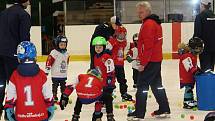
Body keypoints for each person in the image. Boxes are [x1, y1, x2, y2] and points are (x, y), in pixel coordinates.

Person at [127, 2, 170, 120]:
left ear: (147, 11)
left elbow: (148, 46)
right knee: (157, 85)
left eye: (141, 12)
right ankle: (164, 108)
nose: (139, 14)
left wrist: (143, 63)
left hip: (150, 61)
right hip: (155, 59)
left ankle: (139, 113)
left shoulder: (149, 24)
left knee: (141, 86)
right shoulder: (153, 22)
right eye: (138, 12)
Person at [4, 41, 54, 121]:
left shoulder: (15, 75)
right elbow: (48, 94)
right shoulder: (41, 74)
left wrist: (9, 109)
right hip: (40, 116)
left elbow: (10, 96)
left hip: (21, 116)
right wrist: (51, 107)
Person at [0, 0, 31, 118]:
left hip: (0, 54)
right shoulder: (23, 15)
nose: (29, 2)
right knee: (13, 84)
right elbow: (24, 39)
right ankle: (9, 113)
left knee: (1, 84)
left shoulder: (3, 13)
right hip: (13, 56)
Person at [92, 36, 116, 121]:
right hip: (101, 83)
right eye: (96, 47)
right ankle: (97, 116)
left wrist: (109, 80)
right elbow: (97, 69)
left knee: (108, 99)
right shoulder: (95, 57)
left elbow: (111, 69)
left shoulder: (106, 57)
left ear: (104, 47)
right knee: (98, 99)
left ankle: (110, 116)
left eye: (100, 47)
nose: (98, 49)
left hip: (108, 83)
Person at [106, 26, 133, 101]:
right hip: (112, 66)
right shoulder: (112, 41)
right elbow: (106, 51)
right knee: (111, 81)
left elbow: (131, 48)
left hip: (120, 65)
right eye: (120, 34)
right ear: (116, 34)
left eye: (123, 34)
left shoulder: (126, 42)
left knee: (122, 80)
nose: (122, 36)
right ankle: (108, 94)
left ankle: (124, 93)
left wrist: (128, 55)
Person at [178, 37, 204, 109]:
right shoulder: (186, 56)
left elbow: (194, 65)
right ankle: (187, 102)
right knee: (188, 89)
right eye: (197, 48)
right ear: (193, 48)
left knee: (190, 88)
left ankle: (190, 100)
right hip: (186, 77)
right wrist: (195, 71)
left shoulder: (192, 55)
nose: (199, 50)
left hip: (190, 76)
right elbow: (189, 66)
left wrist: (198, 69)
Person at [45, 35, 69, 103]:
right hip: (55, 74)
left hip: (63, 74)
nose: (63, 46)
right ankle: (54, 95)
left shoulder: (67, 53)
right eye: (61, 44)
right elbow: (49, 62)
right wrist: (47, 71)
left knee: (63, 86)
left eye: (64, 44)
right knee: (55, 86)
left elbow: (67, 63)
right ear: (57, 44)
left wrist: (65, 70)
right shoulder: (54, 53)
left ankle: (63, 96)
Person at [193, 0, 215, 71]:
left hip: (204, 49)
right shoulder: (214, 16)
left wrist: (192, 45)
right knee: (211, 69)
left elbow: (197, 33)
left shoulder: (200, 17)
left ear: (202, 5)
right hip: (213, 48)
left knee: (205, 70)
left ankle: (206, 82)